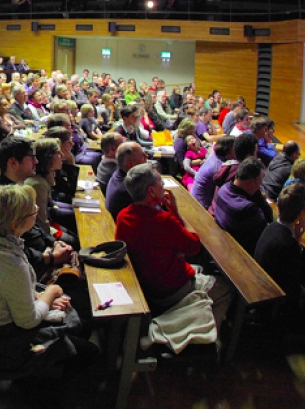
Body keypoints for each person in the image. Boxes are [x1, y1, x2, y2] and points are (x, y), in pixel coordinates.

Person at [0, 184, 98, 381]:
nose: (37, 210)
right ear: (15, 224)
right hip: (3, 339)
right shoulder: (10, 265)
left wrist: (39, 297)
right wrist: (51, 292)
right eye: (32, 210)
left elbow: (10, 290)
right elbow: (28, 320)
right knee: (91, 353)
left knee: (79, 324)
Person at [115, 164, 232, 332]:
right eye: (161, 183)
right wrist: (176, 212)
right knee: (226, 287)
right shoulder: (163, 220)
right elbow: (194, 245)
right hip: (169, 291)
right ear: (151, 192)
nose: (163, 187)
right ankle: (208, 336)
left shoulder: (123, 216)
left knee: (197, 268)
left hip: (147, 283)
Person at [255, 182, 305, 326]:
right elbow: (294, 293)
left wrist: (298, 240)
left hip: (268, 290)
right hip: (278, 306)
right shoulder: (287, 245)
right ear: (301, 213)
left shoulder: (271, 228)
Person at [214, 157, 272, 255]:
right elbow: (266, 227)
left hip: (224, 243)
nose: (260, 187)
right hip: (240, 255)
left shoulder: (223, 189)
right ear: (250, 182)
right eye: (259, 182)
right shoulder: (248, 209)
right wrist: (258, 196)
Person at [105, 142, 148, 221]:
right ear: (130, 164)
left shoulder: (118, 174)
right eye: (143, 156)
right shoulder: (128, 190)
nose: (147, 156)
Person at [191, 136, 236, 210]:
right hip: (202, 205)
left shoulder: (215, 155)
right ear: (228, 150)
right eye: (235, 149)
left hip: (196, 197)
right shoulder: (219, 166)